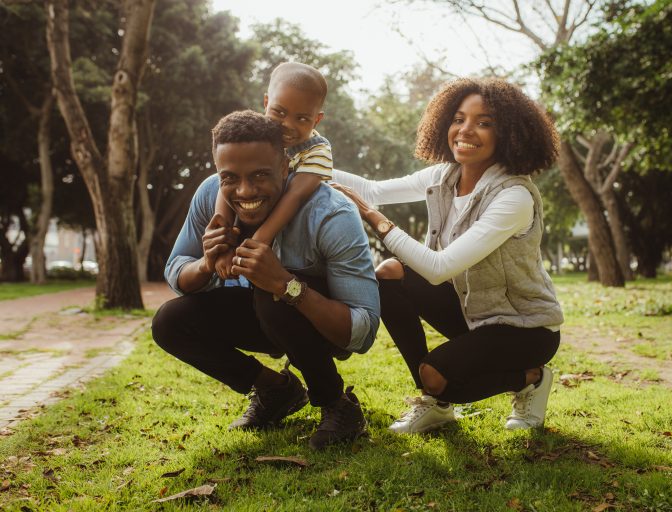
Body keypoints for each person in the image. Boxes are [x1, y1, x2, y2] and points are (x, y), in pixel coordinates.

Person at [332, 77, 563, 434]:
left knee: (437, 375)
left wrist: (377, 221)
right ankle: (434, 404)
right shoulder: (444, 176)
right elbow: (372, 190)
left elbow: (439, 269)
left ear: (511, 134)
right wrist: (300, 162)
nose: (465, 130)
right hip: (473, 310)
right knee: (390, 273)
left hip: (525, 328)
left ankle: (529, 377)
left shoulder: (513, 197)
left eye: (484, 122)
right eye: (458, 118)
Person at [152, 110, 380, 450]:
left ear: (286, 168)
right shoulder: (209, 195)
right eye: (229, 178)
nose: (245, 190)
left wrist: (287, 285)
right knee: (170, 321)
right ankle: (277, 390)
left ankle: (338, 405)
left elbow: (362, 331)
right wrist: (206, 265)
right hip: (260, 315)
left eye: (260, 175)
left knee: (270, 296)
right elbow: (176, 271)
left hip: (320, 324)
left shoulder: (332, 213)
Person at [213, 62, 333, 279]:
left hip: (290, 240)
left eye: (302, 118)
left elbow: (294, 197)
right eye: (279, 112)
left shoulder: (318, 151)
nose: (287, 124)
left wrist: (255, 245)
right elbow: (226, 186)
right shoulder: (253, 136)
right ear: (266, 102)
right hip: (246, 219)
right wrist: (223, 244)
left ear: (317, 119)